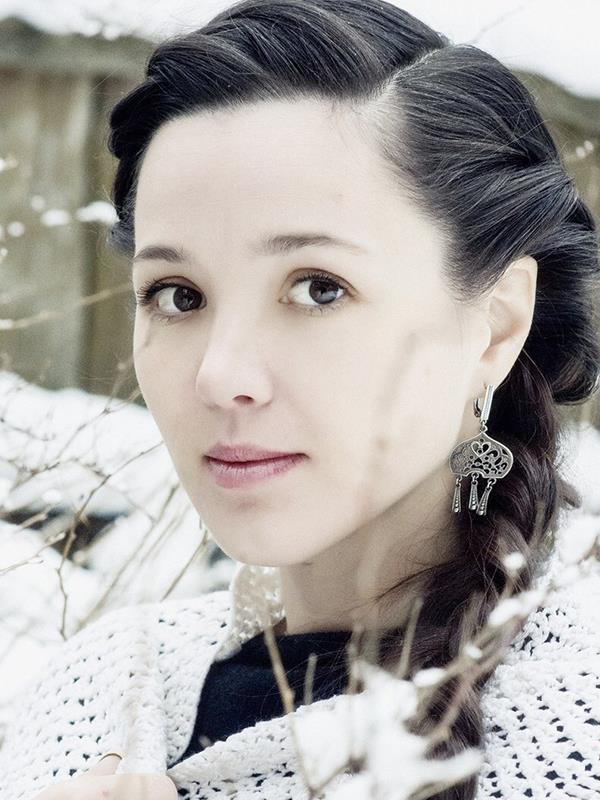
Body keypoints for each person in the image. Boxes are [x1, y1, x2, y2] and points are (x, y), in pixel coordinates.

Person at [1, 1, 600, 798]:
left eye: (319, 288)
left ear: (495, 325)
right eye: (177, 295)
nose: (219, 375)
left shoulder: (572, 737)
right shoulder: (93, 694)